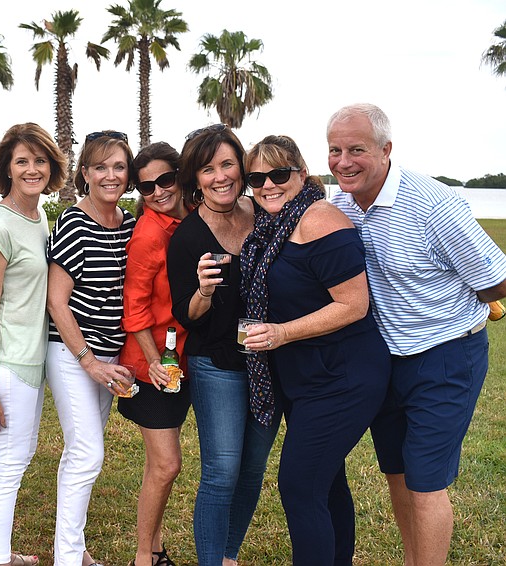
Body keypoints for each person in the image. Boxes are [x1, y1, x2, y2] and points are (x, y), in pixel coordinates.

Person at [326, 103, 506, 565]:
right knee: (399, 475)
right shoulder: (340, 203)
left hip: (445, 355)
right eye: (335, 150)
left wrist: (479, 301)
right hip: (385, 359)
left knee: (425, 483)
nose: (343, 161)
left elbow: (495, 277)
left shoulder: (435, 205)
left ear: (387, 150)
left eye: (356, 150)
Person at [239, 135, 390, 565]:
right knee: (327, 484)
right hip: (305, 380)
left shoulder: (319, 218)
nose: (268, 184)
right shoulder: (272, 225)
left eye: (279, 174)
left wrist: (282, 333)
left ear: (302, 174)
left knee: (300, 487)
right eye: (257, 177)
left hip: (342, 377)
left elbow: (354, 304)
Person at [166, 124, 278, 566]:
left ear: (242, 167)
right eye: (208, 169)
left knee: (252, 470)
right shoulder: (189, 236)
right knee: (222, 471)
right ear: (196, 178)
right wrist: (205, 293)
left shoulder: (265, 213)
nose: (220, 177)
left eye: (227, 164)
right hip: (217, 362)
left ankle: (228, 556)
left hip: (268, 359)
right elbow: (183, 312)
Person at [0, 122, 68, 566]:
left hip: (33, 358)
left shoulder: (38, 216)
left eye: (40, 160)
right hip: (10, 362)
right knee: (10, 464)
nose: (33, 169)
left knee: (17, 458)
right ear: (6, 169)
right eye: (22, 161)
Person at [46, 130, 136, 566]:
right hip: (71, 352)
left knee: (81, 451)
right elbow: (55, 300)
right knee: (88, 452)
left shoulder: (130, 222)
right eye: (101, 166)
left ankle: (73, 548)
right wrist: (87, 360)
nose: (111, 175)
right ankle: (67, 557)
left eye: (119, 166)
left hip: (111, 354)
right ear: (84, 172)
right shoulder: (73, 222)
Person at [117, 141, 190, 566]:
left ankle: (156, 546)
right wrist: (154, 364)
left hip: (182, 359)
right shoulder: (149, 233)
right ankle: (145, 556)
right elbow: (135, 307)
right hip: (152, 368)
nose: (159, 192)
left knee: (158, 466)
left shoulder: (191, 222)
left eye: (165, 179)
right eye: (146, 188)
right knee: (166, 465)